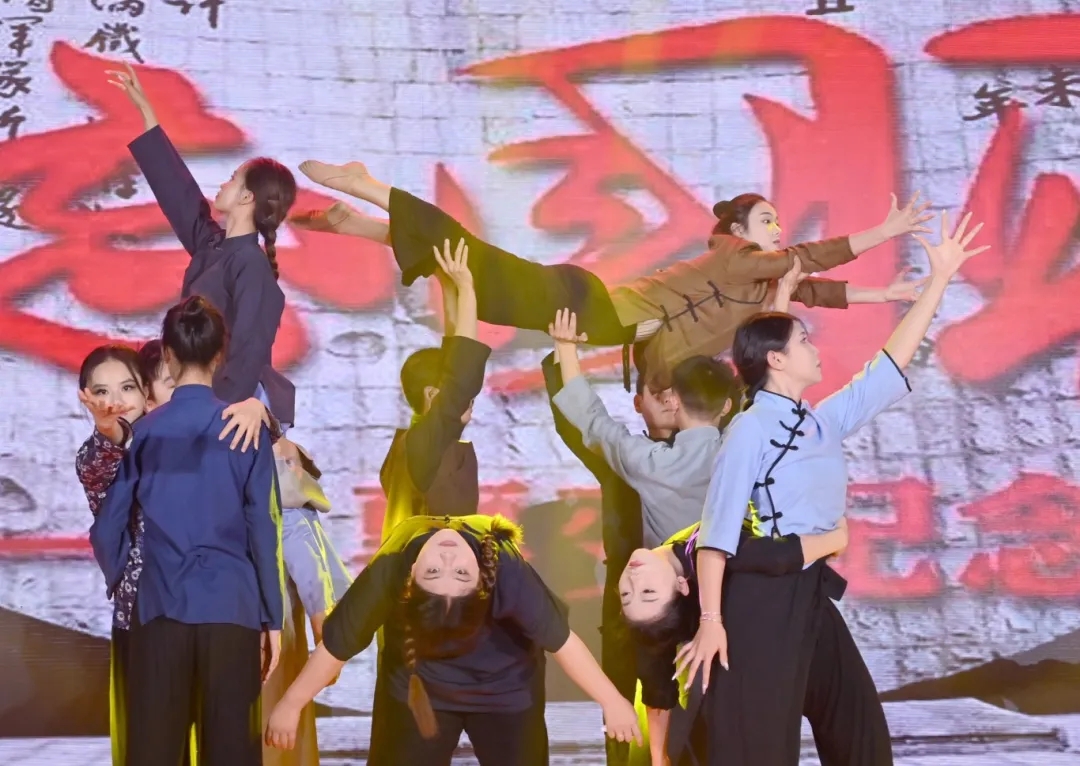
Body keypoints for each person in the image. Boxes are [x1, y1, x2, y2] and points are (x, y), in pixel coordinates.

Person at [674, 211, 989, 766]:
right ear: (776, 359)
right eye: (803, 340)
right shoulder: (749, 429)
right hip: (761, 604)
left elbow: (889, 365)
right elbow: (716, 537)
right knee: (758, 750)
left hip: (811, 592)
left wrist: (940, 279)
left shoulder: (820, 421)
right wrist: (711, 623)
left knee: (859, 732)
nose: (814, 348)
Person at [289, 161, 929, 387]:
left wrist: (889, 293)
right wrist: (883, 232)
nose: (778, 229)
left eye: (777, 222)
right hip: (592, 307)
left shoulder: (763, 284)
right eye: (767, 220)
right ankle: (371, 187)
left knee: (474, 279)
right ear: (740, 229)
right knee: (476, 267)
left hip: (596, 319)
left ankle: (366, 226)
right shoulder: (736, 256)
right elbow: (805, 261)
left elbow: (814, 288)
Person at [265, 514, 642, 765]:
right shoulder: (392, 569)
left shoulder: (505, 568)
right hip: (419, 690)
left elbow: (562, 642)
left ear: (483, 577)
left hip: (504, 689)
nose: (447, 558)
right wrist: (290, 705)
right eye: (435, 571)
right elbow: (338, 647)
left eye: (458, 573)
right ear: (411, 574)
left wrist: (612, 701)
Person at [89, 296, 285, 766]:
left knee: (154, 751)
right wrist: (272, 618)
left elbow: (108, 528)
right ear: (220, 355)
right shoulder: (245, 429)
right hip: (232, 609)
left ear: (169, 355)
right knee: (232, 752)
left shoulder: (145, 433)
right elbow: (263, 528)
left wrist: (123, 577)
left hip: (160, 608)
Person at [108, 62, 299, 429]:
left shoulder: (251, 264)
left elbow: (247, 356)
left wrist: (210, 416)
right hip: (202, 403)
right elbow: (180, 196)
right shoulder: (214, 245)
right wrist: (147, 114)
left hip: (228, 414)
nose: (223, 184)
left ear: (246, 197)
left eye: (232, 179)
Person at [540, 341, 676, 766]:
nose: (668, 400)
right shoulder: (622, 458)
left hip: (696, 610)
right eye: (657, 392)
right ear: (638, 403)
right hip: (627, 617)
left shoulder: (715, 453)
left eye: (675, 392)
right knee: (625, 727)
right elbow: (572, 424)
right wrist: (561, 352)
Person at [620, 520, 849, 765]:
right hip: (786, 623)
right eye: (648, 593)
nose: (634, 581)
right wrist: (837, 535)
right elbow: (780, 556)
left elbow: (656, 686)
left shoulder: (663, 583)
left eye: (625, 595)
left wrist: (659, 757)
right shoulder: (727, 557)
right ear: (681, 585)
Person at [548, 309, 738, 547]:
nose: (663, 398)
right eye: (656, 391)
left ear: (673, 401)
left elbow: (592, 418)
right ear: (726, 406)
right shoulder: (744, 448)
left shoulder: (647, 461)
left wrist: (565, 346)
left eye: (666, 391)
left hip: (669, 567)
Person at [378, 238, 488, 541]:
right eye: (461, 395)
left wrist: (446, 283)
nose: (468, 401)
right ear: (432, 395)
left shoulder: (413, 442)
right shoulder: (424, 444)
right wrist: (466, 287)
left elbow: (457, 353)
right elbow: (463, 368)